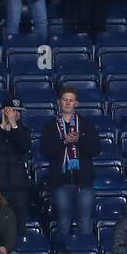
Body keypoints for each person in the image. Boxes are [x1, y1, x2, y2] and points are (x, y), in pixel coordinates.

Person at [40, 87, 102, 237]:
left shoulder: (86, 124)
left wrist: (79, 140)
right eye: (65, 100)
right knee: (63, 223)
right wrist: (64, 141)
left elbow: (95, 149)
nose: (68, 103)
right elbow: (46, 151)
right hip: (60, 182)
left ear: (76, 103)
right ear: (59, 102)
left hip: (84, 182)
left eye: (71, 100)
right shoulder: (50, 126)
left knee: (85, 223)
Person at [0, 98, 32, 226]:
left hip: (18, 187)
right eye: (13, 111)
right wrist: (2, 127)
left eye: (19, 112)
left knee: (19, 225)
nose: (17, 114)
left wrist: (14, 127)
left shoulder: (23, 130)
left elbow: (24, 146)